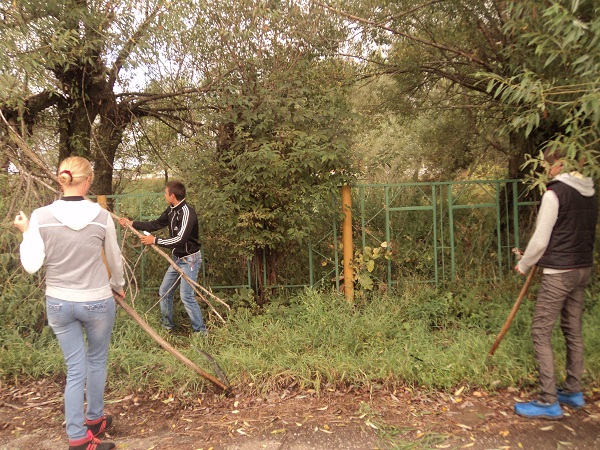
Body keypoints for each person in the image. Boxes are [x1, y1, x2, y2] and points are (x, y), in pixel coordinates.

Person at [13, 156, 124, 450]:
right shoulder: (101, 215)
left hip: (59, 304)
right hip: (96, 301)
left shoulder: (40, 216)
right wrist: (118, 285)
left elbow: (32, 265)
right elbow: (114, 258)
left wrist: (26, 233)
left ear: (61, 180)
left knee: (75, 368)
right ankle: (92, 421)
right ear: (87, 182)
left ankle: (80, 432)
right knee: (96, 360)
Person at [513, 148, 598, 420]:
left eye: (547, 165)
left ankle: (548, 401)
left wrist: (524, 264)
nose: (545, 170)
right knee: (572, 329)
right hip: (582, 269)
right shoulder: (590, 192)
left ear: (560, 164)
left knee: (540, 331)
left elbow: (541, 240)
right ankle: (573, 391)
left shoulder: (554, 194)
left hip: (559, 273)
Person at [118, 180, 207, 334]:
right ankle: (168, 327)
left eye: (166, 193)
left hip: (189, 260)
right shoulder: (171, 210)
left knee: (186, 296)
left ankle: (201, 332)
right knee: (164, 291)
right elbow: (156, 224)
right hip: (177, 259)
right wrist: (132, 223)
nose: (164, 196)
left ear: (172, 196)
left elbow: (180, 240)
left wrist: (155, 241)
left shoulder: (187, 213)